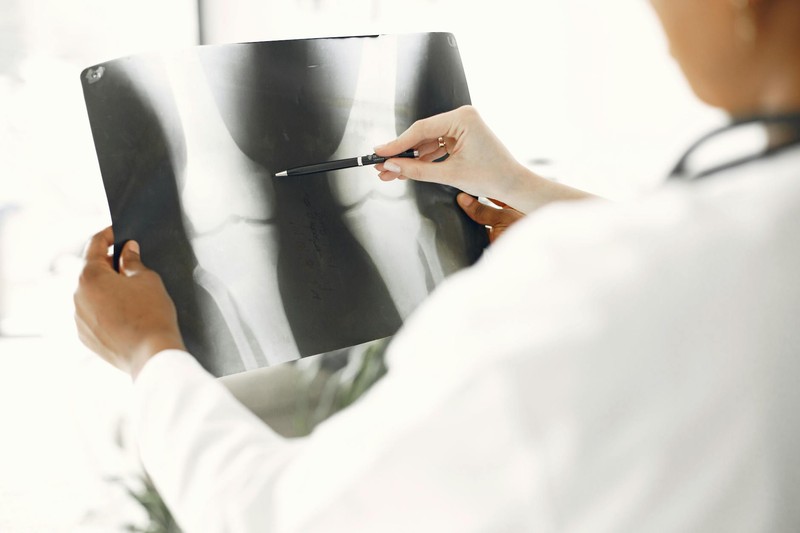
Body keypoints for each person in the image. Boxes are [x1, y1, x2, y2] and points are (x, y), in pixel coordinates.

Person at [73, 0, 800, 531]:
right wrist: (523, 186)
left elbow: (285, 516)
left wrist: (151, 354)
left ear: (744, 8)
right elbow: (707, 265)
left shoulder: (580, 287)